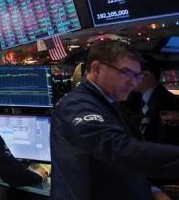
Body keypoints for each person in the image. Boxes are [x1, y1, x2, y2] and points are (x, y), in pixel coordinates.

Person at [51, 41, 179, 200]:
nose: (133, 83)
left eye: (137, 76)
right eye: (126, 73)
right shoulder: (76, 106)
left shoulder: (110, 102)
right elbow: (120, 151)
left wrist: (152, 190)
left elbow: (124, 165)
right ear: (97, 68)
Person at [123, 56, 179, 145]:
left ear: (146, 75)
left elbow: (159, 141)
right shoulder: (146, 97)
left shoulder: (164, 103)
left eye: (132, 75)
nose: (127, 81)